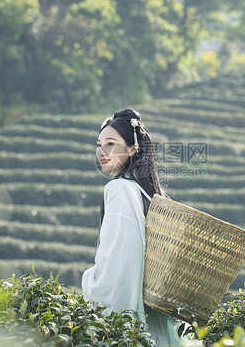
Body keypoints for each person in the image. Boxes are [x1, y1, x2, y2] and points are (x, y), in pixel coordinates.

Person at [82, 108, 185, 346]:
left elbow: (120, 262)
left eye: (111, 143)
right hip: (155, 321)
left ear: (132, 148)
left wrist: (89, 280)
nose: (102, 152)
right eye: (99, 144)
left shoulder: (118, 189)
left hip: (133, 325)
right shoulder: (148, 193)